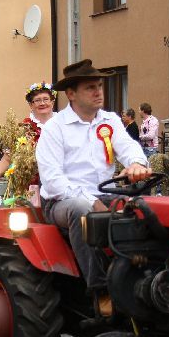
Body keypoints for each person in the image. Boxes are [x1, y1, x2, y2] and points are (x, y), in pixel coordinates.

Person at [36, 59, 150, 317]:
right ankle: (100, 288)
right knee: (82, 210)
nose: (99, 91)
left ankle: (147, 277)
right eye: (91, 87)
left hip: (107, 194)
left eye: (99, 85)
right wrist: (89, 200)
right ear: (71, 94)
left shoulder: (110, 121)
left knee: (149, 209)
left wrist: (136, 164)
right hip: (61, 201)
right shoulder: (55, 128)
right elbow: (53, 181)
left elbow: (130, 148)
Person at [0, 82, 58, 190]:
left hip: (62, 180)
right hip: (32, 185)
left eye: (46, 99)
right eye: (37, 100)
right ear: (31, 105)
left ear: (52, 102)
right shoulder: (23, 128)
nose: (42, 103)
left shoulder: (63, 124)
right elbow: (8, 158)